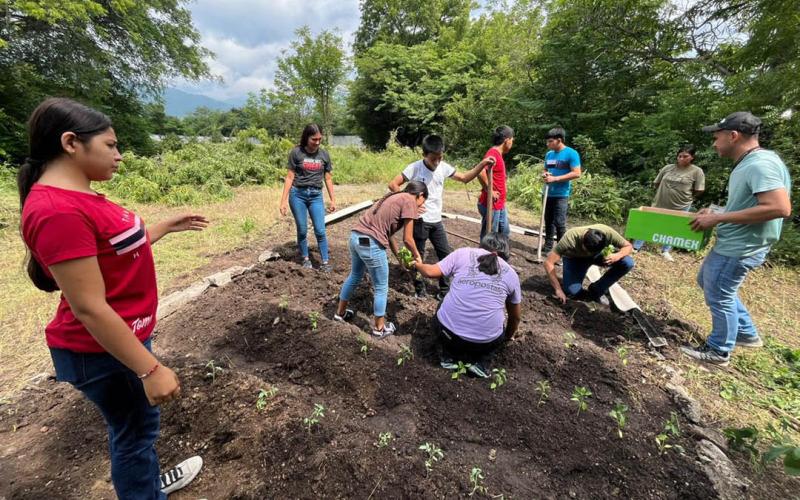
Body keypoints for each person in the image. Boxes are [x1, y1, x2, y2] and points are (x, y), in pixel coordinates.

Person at [18, 98, 205, 499]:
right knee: (135, 435)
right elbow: (89, 307)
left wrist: (161, 228)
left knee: (137, 430)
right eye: (110, 145)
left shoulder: (79, 197)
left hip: (118, 340)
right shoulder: (58, 212)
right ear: (71, 143)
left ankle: (146, 482)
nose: (119, 156)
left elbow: (111, 251)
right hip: (102, 351)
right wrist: (149, 369)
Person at [681, 112, 791, 366]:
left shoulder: (759, 165)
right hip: (738, 242)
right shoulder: (754, 162)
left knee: (720, 293)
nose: (714, 144)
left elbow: (779, 207)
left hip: (741, 246)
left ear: (733, 136)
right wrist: (716, 211)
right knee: (709, 281)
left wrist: (718, 219)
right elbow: (749, 204)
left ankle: (718, 350)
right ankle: (745, 332)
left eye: (716, 137)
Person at [388, 134, 495, 300]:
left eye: (440, 157)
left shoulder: (443, 167)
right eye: (433, 159)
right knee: (418, 256)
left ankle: (445, 290)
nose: (437, 162)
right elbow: (393, 184)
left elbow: (465, 178)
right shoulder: (415, 167)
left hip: (436, 220)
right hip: (419, 221)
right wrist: (409, 204)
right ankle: (419, 290)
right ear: (424, 155)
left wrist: (482, 164)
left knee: (445, 254)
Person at [415, 233, 521, 378]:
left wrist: (417, 264)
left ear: (481, 245)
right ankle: (481, 363)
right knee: (498, 323)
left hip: (448, 334)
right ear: (506, 254)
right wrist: (505, 338)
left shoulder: (463, 253)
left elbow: (429, 272)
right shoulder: (512, 274)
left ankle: (448, 356)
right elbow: (515, 318)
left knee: (443, 302)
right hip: (484, 343)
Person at [334, 181, 428, 337]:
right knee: (381, 287)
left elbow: (388, 234)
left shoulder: (394, 197)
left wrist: (399, 257)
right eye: (422, 202)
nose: (421, 206)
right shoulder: (410, 200)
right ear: (421, 195)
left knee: (355, 275)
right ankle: (379, 329)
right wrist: (417, 256)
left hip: (355, 238)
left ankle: (340, 313)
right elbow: (408, 239)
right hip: (371, 244)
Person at [279, 124, 336, 272]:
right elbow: (289, 177)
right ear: (306, 138)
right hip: (298, 195)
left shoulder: (324, 155)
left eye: (319, 139)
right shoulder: (296, 153)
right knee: (302, 230)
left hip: (316, 195)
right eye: (313, 139)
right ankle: (305, 258)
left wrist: (332, 199)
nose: (317, 142)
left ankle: (325, 262)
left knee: (320, 230)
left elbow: (328, 178)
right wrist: (283, 201)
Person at [633, 145, 705, 261]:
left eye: (685, 156)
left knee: (673, 228)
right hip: (660, 201)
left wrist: (688, 197)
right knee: (649, 222)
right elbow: (656, 182)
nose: (681, 158)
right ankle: (636, 247)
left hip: (681, 205)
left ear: (692, 157)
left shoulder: (697, 171)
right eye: (679, 156)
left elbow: (699, 189)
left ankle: (665, 250)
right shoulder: (668, 168)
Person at [544, 225, 634, 305]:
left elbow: (628, 246)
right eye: (588, 250)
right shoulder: (570, 238)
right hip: (575, 258)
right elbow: (548, 263)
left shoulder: (607, 232)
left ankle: (597, 289)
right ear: (582, 242)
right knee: (572, 292)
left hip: (598, 256)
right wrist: (558, 289)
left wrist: (618, 255)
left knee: (627, 263)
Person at [542, 127, 582, 255]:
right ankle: (548, 246)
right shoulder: (549, 154)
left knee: (559, 223)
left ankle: (561, 251)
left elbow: (577, 173)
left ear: (559, 140)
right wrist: (545, 174)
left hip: (561, 195)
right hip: (547, 193)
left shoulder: (571, 153)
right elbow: (545, 169)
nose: (548, 144)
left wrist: (555, 178)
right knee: (548, 221)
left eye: (550, 141)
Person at [477, 126, 515, 239]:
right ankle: (484, 251)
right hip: (491, 204)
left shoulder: (498, 154)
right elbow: (481, 172)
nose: (512, 143)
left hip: (499, 204)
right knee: (489, 236)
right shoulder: (493, 153)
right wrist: (490, 190)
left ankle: (501, 250)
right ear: (507, 140)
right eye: (512, 140)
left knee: (504, 233)